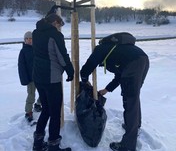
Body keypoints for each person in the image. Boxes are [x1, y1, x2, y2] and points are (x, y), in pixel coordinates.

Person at [80, 34, 149, 151]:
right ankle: (134, 126)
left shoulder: (101, 48)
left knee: (129, 99)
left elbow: (90, 64)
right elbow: (119, 76)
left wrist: (84, 78)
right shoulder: (118, 50)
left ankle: (127, 146)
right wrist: (106, 89)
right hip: (143, 60)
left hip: (133, 65)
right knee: (133, 96)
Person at [32, 13, 74, 151]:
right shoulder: (55, 35)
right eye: (59, 24)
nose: (59, 28)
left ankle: (37, 143)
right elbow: (62, 56)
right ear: (55, 22)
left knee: (46, 109)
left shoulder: (36, 32)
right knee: (55, 112)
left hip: (38, 77)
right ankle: (53, 145)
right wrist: (70, 70)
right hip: (51, 78)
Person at [18, 31, 42, 123]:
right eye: (27, 39)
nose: (29, 40)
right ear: (24, 40)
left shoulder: (38, 49)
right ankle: (28, 112)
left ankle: (38, 105)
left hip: (40, 77)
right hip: (30, 79)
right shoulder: (23, 51)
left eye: (31, 38)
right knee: (31, 95)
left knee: (43, 94)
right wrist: (24, 79)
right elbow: (21, 66)